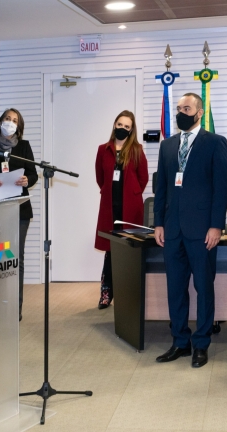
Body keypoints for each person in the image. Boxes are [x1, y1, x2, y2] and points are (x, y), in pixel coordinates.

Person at [153, 93, 227, 368]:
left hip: (202, 230)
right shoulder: (167, 145)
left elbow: (221, 188)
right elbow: (160, 187)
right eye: (178, 108)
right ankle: (180, 341)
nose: (181, 112)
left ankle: (201, 343)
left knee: (203, 288)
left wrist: (216, 226)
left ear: (199, 113)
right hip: (172, 229)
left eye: (186, 108)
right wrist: (158, 222)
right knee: (175, 288)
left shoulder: (215, 142)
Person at [0, 108, 38, 321]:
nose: (10, 122)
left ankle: (15, 309)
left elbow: (32, 174)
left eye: (15, 120)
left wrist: (27, 181)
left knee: (15, 258)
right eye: (7, 118)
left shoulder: (24, 147)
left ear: (19, 126)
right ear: (0, 121)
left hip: (19, 210)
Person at [94, 110, 149, 309]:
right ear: (114, 125)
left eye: (127, 126)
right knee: (110, 251)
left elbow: (143, 178)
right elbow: (100, 177)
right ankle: (106, 294)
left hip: (130, 209)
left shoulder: (136, 149)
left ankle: (129, 294)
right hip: (110, 208)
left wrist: (133, 194)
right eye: (120, 124)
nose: (122, 129)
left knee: (129, 251)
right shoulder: (103, 149)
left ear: (131, 130)